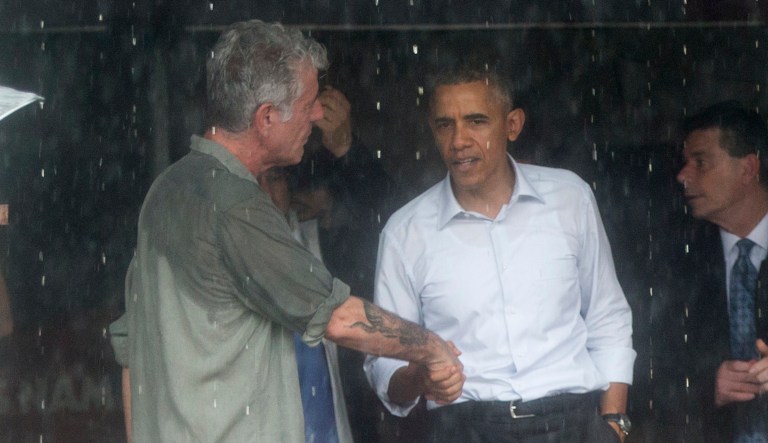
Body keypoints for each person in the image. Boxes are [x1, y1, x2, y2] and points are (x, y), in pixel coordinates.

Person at [109, 19, 463, 443]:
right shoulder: (235, 205)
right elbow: (337, 317)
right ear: (267, 117)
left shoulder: (166, 191)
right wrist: (432, 347)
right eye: (309, 102)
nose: (317, 115)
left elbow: (129, 350)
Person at [364, 63, 636, 443]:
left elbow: (607, 316)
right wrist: (420, 376)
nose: (459, 140)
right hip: (465, 428)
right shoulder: (405, 232)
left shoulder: (570, 197)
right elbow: (385, 363)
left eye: (476, 121)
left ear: (512, 125)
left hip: (574, 423)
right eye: (445, 124)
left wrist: (614, 423)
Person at [675, 101, 768, 442]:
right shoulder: (677, 259)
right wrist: (705, 386)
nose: (683, 175)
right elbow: (650, 362)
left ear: (748, 169)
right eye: (686, 163)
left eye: (700, 162)